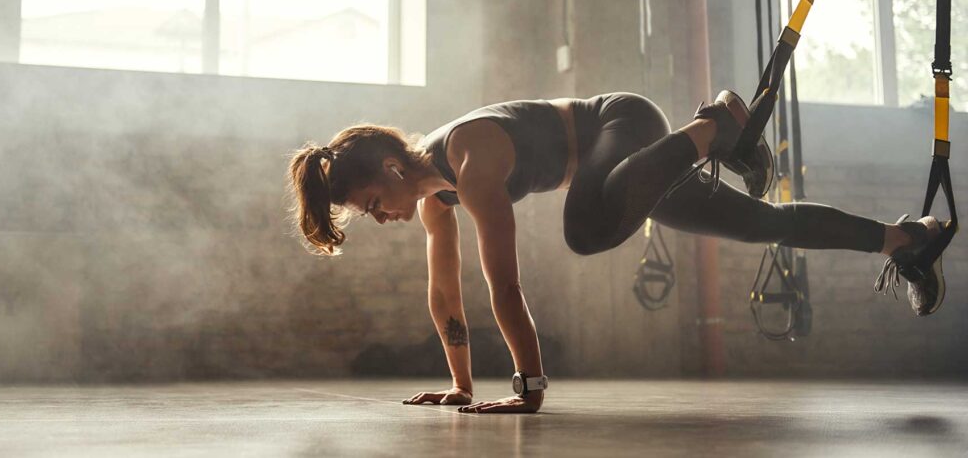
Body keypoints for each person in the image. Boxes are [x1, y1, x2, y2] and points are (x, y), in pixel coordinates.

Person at [286, 90, 952, 414]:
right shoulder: (436, 198)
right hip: (623, 181)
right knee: (761, 223)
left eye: (373, 203)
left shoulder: (469, 159)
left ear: (391, 169)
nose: (381, 218)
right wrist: (461, 384)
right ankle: (909, 238)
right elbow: (444, 295)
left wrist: (531, 386)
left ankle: (716, 124)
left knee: (582, 225)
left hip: (621, 125)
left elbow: (503, 285)